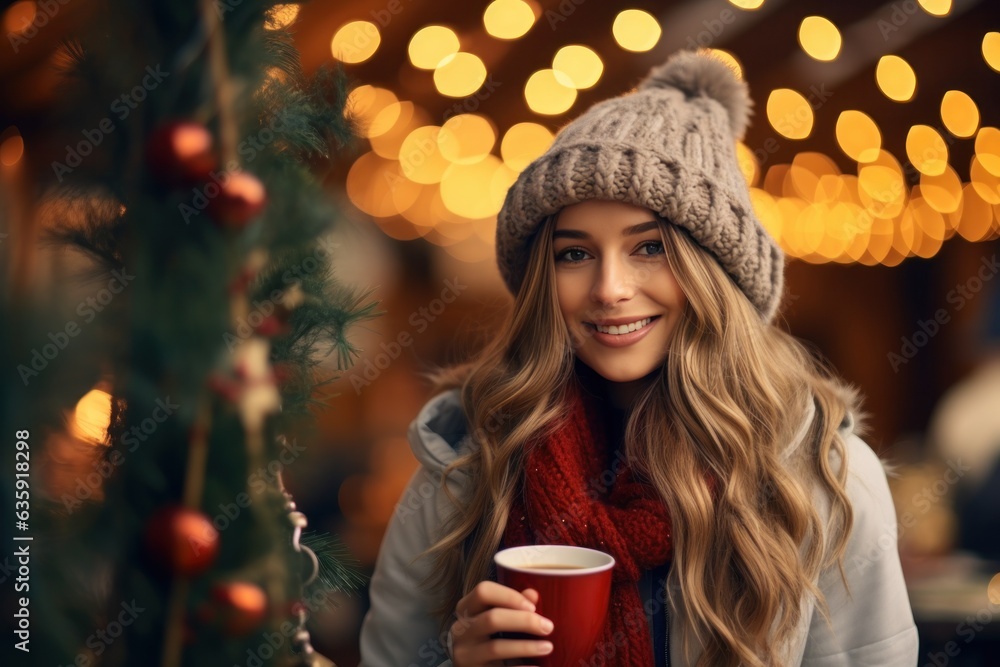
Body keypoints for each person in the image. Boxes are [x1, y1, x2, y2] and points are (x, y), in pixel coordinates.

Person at [359, 50, 918, 667]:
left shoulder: (818, 477)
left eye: (648, 247)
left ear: (715, 276)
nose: (609, 288)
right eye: (574, 254)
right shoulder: (464, 466)